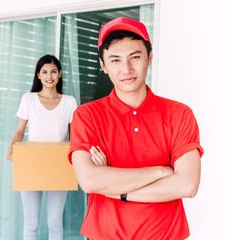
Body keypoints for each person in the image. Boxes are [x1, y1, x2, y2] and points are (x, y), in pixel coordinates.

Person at [68, 17, 204, 240]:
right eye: (115, 60)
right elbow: (90, 181)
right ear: (103, 65)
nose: (127, 69)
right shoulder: (87, 115)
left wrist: (115, 189)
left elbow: (187, 184)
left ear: (149, 58)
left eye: (135, 57)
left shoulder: (179, 114)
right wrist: (160, 171)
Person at [7, 54, 77, 240]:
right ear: (38, 75)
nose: (49, 76)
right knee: (31, 223)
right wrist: (13, 145)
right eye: (45, 72)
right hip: (31, 164)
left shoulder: (69, 102)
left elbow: (75, 136)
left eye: (53, 71)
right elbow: (20, 131)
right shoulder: (29, 99)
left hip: (59, 165)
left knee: (55, 223)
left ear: (60, 74)